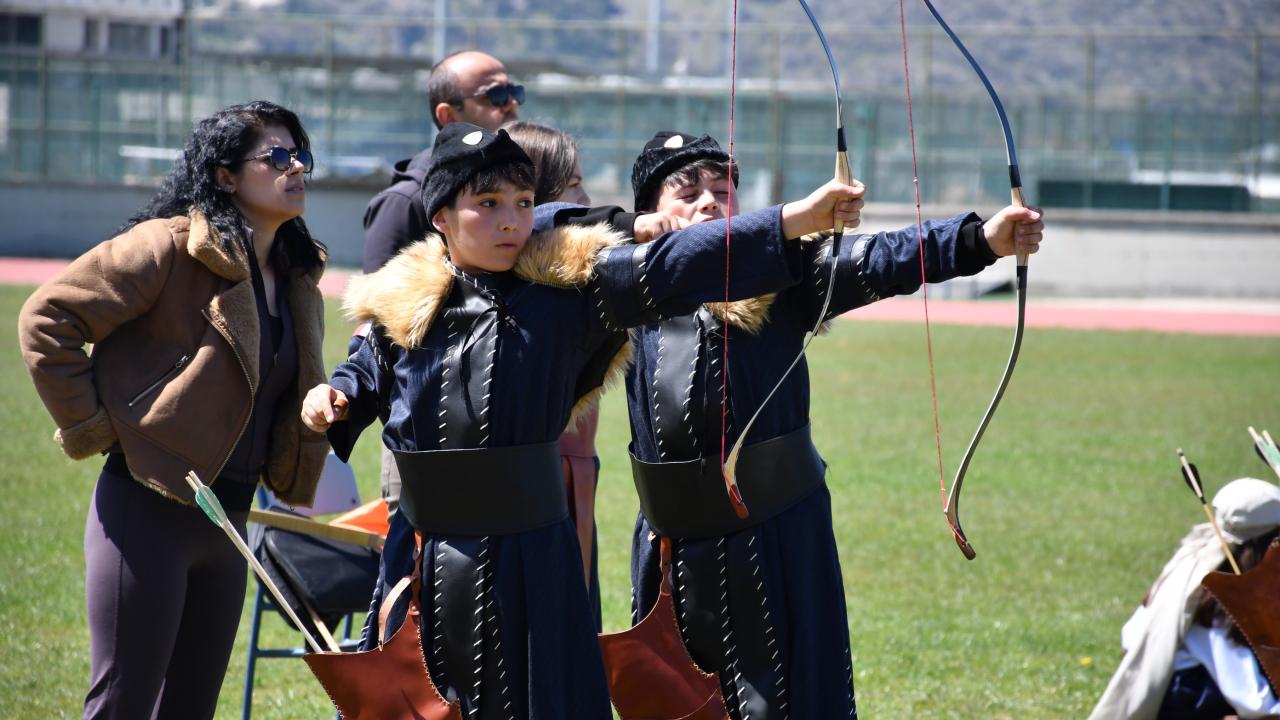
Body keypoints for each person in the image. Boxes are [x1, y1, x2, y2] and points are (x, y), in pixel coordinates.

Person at [300, 122, 864, 718]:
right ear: (440, 216)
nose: (511, 222)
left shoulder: (570, 296)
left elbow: (682, 260)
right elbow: (366, 369)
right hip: (422, 553)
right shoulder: (405, 299)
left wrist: (797, 218)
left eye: (522, 205)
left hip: (529, 553)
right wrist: (335, 395)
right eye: (487, 206)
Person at [607, 130, 1044, 719]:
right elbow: (551, 235)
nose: (710, 201)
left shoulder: (784, 276)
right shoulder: (624, 286)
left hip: (775, 536)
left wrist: (978, 240)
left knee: (786, 700)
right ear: (647, 213)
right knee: (677, 699)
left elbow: (879, 259)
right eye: (686, 191)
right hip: (669, 542)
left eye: (723, 188)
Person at [18, 100, 329, 720]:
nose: (296, 168)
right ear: (224, 175)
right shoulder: (168, 245)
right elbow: (47, 319)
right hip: (147, 506)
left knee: (190, 709)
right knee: (123, 703)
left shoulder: (298, 275)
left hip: (230, 519)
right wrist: (95, 427)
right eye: (276, 156)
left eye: (301, 156)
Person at [362, 50, 524, 518]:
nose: (511, 104)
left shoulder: (516, 191)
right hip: (425, 436)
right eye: (496, 95)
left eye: (515, 92)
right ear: (447, 114)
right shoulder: (404, 202)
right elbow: (378, 323)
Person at [1090, 477, 1280, 720]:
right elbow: (1255, 704)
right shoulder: (1218, 600)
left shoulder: (1199, 558)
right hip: (1183, 700)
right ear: (1262, 545)